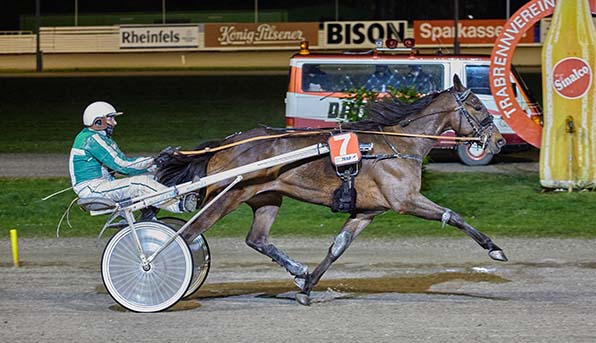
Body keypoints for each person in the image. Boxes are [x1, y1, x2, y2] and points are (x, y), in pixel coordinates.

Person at [69, 101, 196, 215]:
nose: (115, 123)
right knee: (140, 184)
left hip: (100, 185)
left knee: (152, 179)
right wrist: (154, 160)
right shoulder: (92, 139)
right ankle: (179, 204)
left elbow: (125, 168)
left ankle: (148, 217)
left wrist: (157, 164)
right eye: (111, 119)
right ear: (98, 121)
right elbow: (124, 166)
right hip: (93, 189)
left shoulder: (99, 138)